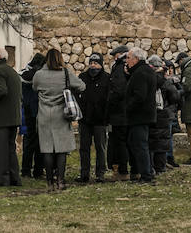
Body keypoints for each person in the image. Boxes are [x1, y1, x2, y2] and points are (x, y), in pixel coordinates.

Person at [32, 48, 85, 191]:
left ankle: (49, 182)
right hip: (61, 114)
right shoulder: (65, 73)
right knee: (62, 149)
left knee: (47, 149)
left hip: (44, 115)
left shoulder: (39, 75)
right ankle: (60, 181)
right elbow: (82, 86)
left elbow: (34, 88)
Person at [0, 46, 23, 187]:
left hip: (2, 117)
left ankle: (2, 180)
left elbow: (0, 90)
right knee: (10, 149)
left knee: (1, 151)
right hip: (13, 117)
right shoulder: (12, 72)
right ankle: (14, 179)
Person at [76, 53, 111, 183]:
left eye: (96, 63)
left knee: (100, 147)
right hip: (85, 119)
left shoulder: (106, 78)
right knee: (84, 147)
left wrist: (106, 116)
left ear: (101, 64)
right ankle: (84, 173)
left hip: (100, 119)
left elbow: (109, 99)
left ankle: (100, 173)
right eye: (91, 62)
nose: (93, 65)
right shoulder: (83, 77)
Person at [124, 47, 157, 183]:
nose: (127, 61)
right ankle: (147, 171)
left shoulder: (140, 73)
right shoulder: (147, 71)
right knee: (141, 144)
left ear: (136, 59)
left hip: (139, 116)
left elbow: (139, 96)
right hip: (146, 115)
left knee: (140, 145)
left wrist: (128, 106)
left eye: (128, 58)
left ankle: (146, 174)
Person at [149, 55, 180, 173]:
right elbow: (175, 97)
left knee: (152, 141)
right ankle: (161, 166)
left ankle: (151, 166)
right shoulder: (166, 82)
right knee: (162, 141)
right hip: (165, 113)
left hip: (153, 112)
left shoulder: (149, 78)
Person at [106, 44, 132, 180]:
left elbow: (118, 89)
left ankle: (122, 170)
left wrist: (110, 101)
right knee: (121, 141)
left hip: (119, 111)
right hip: (123, 111)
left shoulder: (119, 68)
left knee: (120, 141)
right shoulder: (126, 67)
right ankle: (121, 169)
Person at [19, 52, 45, 178]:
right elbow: (27, 79)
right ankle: (29, 170)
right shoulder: (28, 73)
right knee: (32, 142)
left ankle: (33, 170)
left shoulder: (26, 72)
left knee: (34, 142)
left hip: (33, 110)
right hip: (31, 111)